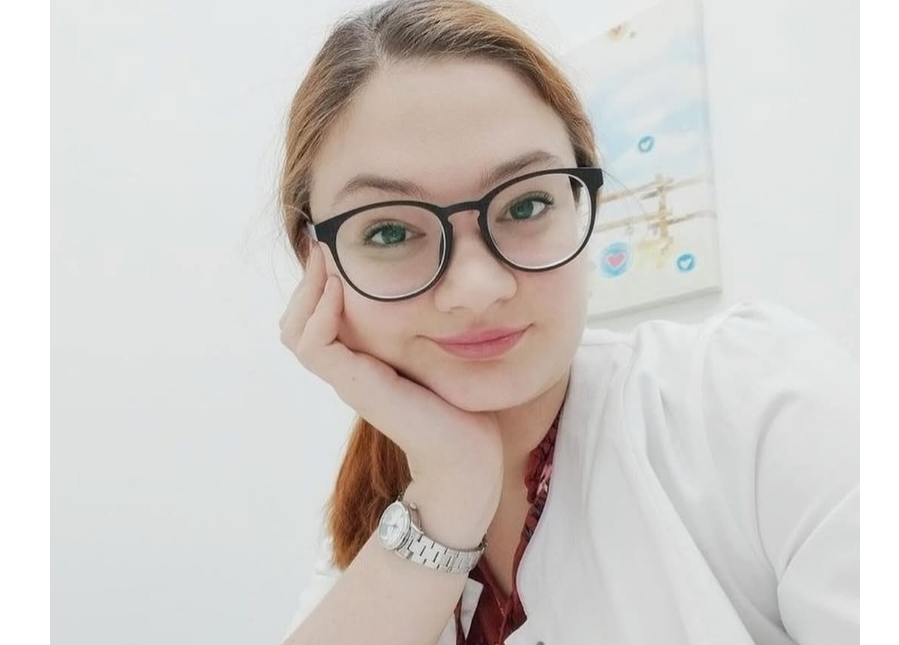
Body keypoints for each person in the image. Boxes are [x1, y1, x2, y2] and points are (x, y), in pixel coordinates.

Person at [275, 1, 859, 643]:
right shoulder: (378, 514)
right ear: (316, 264)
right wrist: (450, 491)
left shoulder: (757, 406)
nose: (477, 288)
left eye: (526, 204)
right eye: (389, 230)